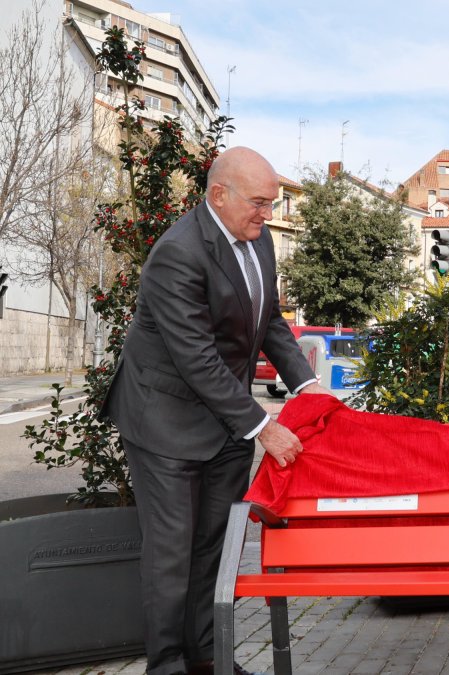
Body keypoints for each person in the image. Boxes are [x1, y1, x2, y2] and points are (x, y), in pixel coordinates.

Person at [101, 147, 331, 675]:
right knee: (172, 554)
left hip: (224, 424)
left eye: (271, 204)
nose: (267, 214)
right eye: (258, 202)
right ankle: (166, 667)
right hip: (166, 422)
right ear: (219, 194)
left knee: (216, 549)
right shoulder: (177, 253)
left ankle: (205, 660)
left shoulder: (259, 240)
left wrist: (308, 386)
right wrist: (262, 427)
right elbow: (196, 358)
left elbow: (268, 319)